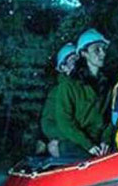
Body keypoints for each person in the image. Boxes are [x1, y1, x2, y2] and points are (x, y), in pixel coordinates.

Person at [40, 30, 111, 159]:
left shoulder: (104, 84)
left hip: (93, 140)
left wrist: (105, 140)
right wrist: (85, 143)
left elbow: (108, 118)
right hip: (76, 140)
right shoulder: (65, 87)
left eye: (103, 49)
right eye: (97, 49)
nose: (103, 53)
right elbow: (58, 122)